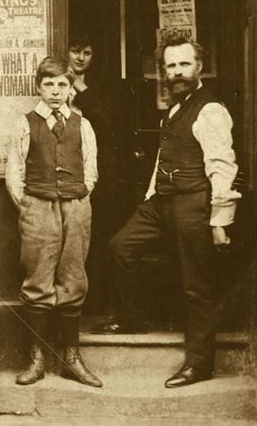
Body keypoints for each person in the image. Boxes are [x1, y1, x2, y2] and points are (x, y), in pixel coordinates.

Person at [95, 32, 239, 388]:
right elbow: (163, 157)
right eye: (171, 65)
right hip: (161, 201)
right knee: (120, 247)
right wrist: (149, 196)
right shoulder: (175, 109)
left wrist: (220, 220)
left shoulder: (211, 110)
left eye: (184, 64)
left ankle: (200, 363)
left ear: (199, 67)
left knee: (196, 283)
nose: (177, 71)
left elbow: (223, 166)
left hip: (193, 202)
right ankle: (133, 318)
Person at [6, 57, 102, 388]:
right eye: (49, 84)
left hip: (75, 206)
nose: (56, 91)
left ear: (71, 88)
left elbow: (91, 168)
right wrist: (33, 204)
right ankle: (37, 359)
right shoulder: (25, 123)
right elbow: (15, 173)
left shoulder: (81, 124)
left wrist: (78, 195)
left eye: (62, 84)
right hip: (38, 207)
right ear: (38, 87)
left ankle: (71, 358)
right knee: (37, 281)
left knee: (73, 278)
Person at [67, 33, 133, 316]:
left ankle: (96, 303)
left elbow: (111, 125)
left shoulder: (99, 87)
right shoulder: (56, 84)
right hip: (66, 170)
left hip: (98, 175)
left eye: (87, 52)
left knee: (96, 239)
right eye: (75, 50)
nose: (81, 58)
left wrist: (82, 88)